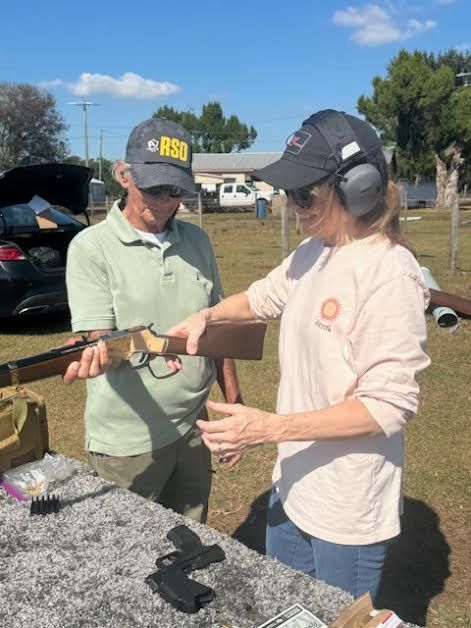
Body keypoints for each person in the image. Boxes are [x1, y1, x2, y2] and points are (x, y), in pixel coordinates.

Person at [166, 109, 431, 600]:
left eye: (304, 194)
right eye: (287, 192)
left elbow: (388, 406)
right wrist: (208, 315)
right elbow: (261, 298)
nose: (292, 206)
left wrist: (268, 428)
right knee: (285, 609)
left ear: (359, 188)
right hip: (292, 485)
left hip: (346, 508)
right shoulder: (314, 251)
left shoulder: (389, 274)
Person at [63, 118, 242, 523]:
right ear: (123, 175)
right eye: (154, 188)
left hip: (194, 426)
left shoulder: (197, 241)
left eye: (174, 190)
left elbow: (217, 330)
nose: (164, 201)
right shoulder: (90, 248)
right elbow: (103, 340)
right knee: (128, 549)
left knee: (192, 538)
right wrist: (137, 349)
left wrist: (234, 403)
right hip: (128, 440)